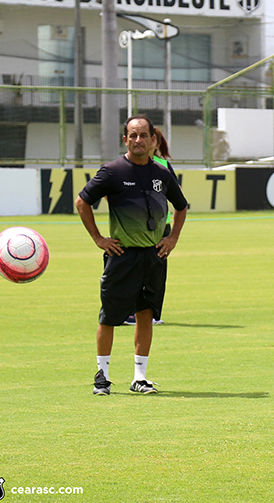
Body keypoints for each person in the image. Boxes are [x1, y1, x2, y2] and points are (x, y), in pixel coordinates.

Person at [76, 114, 189, 395]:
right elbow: (82, 202)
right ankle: (102, 376)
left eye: (143, 136)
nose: (138, 140)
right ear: (125, 140)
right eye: (133, 136)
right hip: (122, 255)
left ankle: (140, 377)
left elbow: (182, 206)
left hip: (154, 256)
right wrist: (99, 238)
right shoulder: (113, 171)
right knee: (109, 316)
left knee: (146, 314)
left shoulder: (162, 173)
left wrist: (172, 238)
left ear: (153, 140)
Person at [123, 126, 174, 327]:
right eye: (137, 136)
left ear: (156, 143)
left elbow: (175, 195)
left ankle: (153, 311)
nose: (144, 142)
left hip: (161, 226)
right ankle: (129, 313)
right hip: (134, 227)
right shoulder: (126, 164)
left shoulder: (163, 166)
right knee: (132, 269)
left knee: (155, 271)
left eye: (150, 139)